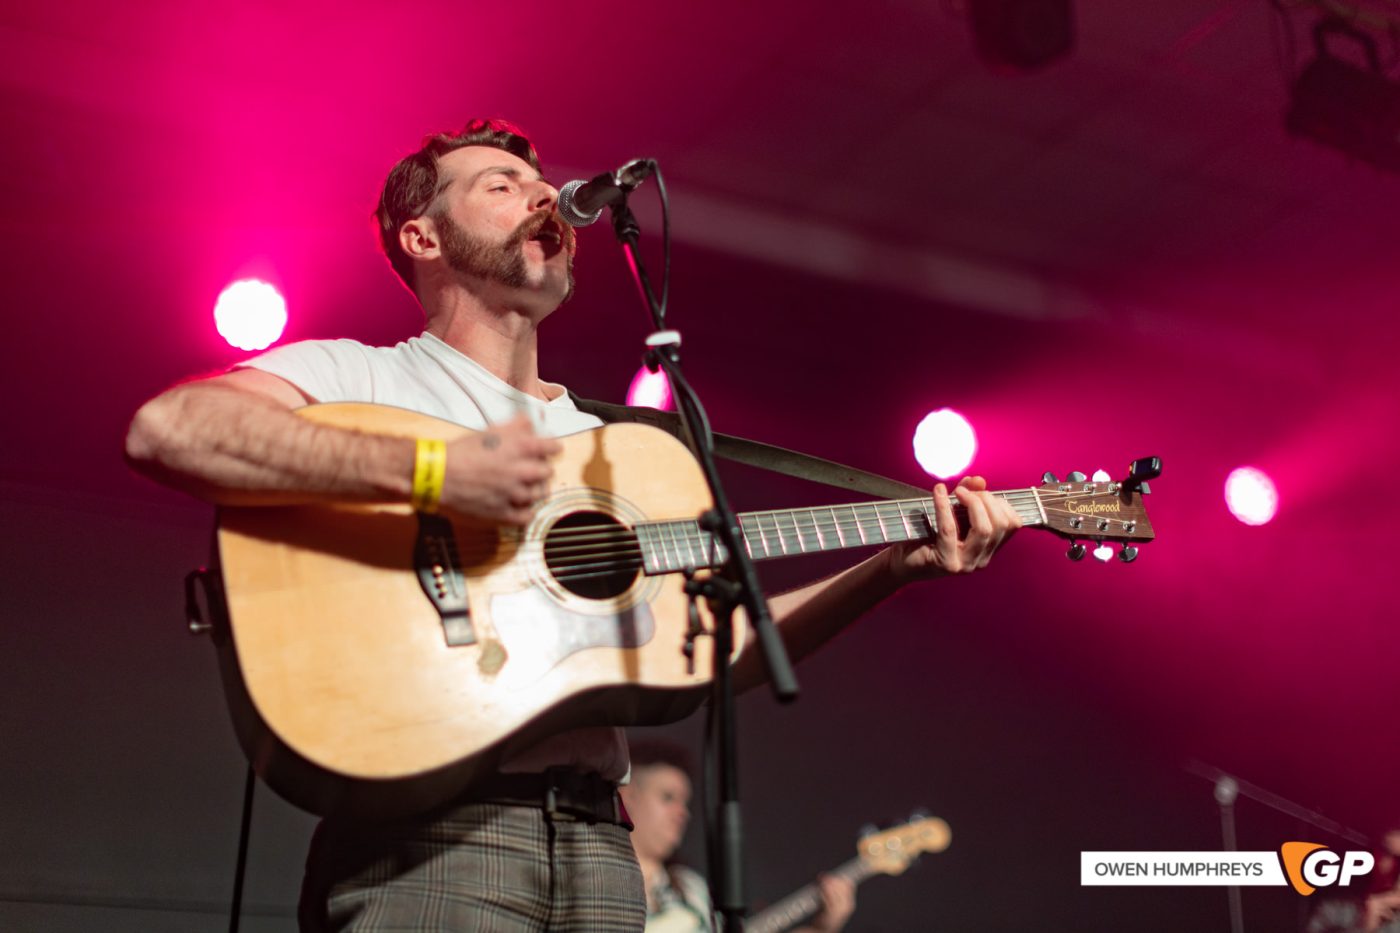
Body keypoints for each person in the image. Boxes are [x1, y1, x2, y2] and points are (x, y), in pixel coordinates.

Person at [123, 118, 1021, 931]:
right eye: (501, 186)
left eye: (542, 184)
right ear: (423, 236)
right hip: (431, 844)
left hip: (602, 851)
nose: (543, 195)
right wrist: (433, 471)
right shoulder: (360, 377)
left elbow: (714, 652)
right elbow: (168, 430)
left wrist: (892, 567)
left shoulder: (612, 452)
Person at [621, 740, 855, 933]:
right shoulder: (592, 877)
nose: (683, 813)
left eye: (685, 802)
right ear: (627, 796)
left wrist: (823, 928)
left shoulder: (690, 888)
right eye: (668, 797)